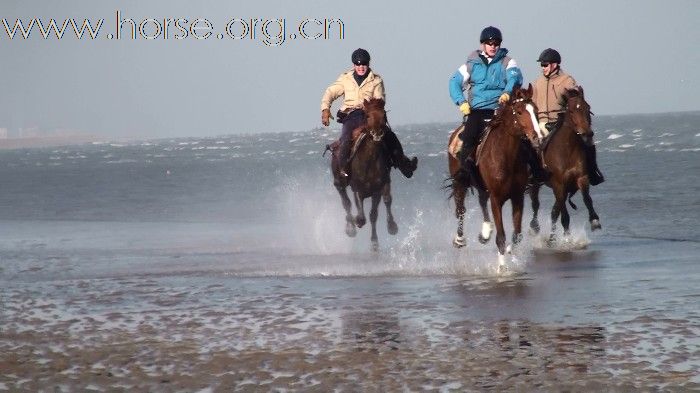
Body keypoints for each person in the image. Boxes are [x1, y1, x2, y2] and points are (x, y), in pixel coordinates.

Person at [448, 26, 544, 180]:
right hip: (478, 110)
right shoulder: (471, 64)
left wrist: (507, 92)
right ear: (483, 45)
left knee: (523, 137)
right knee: (469, 138)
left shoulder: (508, 62)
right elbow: (454, 83)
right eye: (489, 43)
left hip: (501, 109)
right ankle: (465, 174)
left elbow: (514, 77)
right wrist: (462, 102)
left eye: (496, 43)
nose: (493, 46)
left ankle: (536, 172)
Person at [320, 48, 417, 178]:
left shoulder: (376, 80)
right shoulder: (345, 79)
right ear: (354, 65)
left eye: (364, 64)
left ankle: (403, 164)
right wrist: (325, 109)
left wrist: (370, 107)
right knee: (345, 138)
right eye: (358, 64)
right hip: (351, 115)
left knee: (390, 136)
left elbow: (379, 99)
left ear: (368, 64)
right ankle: (343, 168)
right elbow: (330, 92)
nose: (361, 67)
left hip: (370, 115)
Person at [532, 48, 604, 185]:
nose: (542, 68)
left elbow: (574, 99)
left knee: (588, 141)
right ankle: (532, 174)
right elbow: (532, 104)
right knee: (529, 145)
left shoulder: (567, 80)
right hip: (541, 122)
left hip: (559, 122)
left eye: (545, 64)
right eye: (541, 65)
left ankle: (593, 171)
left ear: (554, 65)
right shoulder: (536, 83)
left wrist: (575, 92)